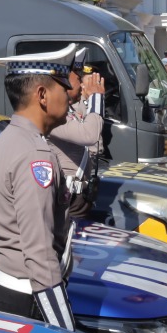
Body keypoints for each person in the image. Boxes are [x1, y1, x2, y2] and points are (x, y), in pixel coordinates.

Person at [0, 48, 77, 330]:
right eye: (64, 88)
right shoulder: (34, 154)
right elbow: (39, 253)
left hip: (7, 288)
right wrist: (65, 332)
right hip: (29, 299)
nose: (70, 96)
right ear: (42, 95)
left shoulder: (9, 139)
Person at [48, 49, 107, 220]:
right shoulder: (53, 116)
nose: (82, 85)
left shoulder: (70, 109)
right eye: (78, 80)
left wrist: (90, 100)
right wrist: (96, 98)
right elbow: (90, 135)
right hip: (67, 198)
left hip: (79, 195)